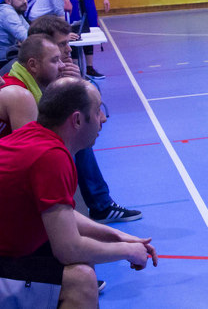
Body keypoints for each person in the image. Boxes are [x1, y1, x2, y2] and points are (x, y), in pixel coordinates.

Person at [0, 78, 157, 308]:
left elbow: (59, 214)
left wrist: (117, 236)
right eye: (98, 110)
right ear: (77, 120)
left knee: (84, 260)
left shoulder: (34, 136)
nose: (103, 118)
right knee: (80, 282)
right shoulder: (51, 157)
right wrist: (127, 251)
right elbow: (68, 249)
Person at [28, 16, 142, 223]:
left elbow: (93, 105)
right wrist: (67, 86)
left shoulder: (53, 69)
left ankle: (98, 205)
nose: (69, 50)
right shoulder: (20, 85)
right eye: (62, 44)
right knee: (74, 132)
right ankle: (88, 207)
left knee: (79, 132)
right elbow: (38, 125)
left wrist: (77, 82)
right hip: (28, 149)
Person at [0, 34, 64, 139]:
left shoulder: (19, 81)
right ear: (33, 65)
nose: (62, 66)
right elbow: (32, 147)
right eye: (55, 60)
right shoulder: (19, 95)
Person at [0, 0, 30, 67]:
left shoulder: (17, 12)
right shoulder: (6, 11)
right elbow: (26, 37)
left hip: (8, 56)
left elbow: (31, 32)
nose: (25, 1)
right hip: (3, 60)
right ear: (8, 0)